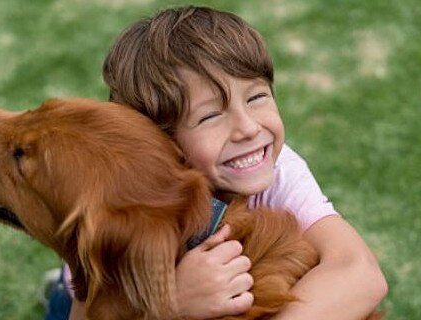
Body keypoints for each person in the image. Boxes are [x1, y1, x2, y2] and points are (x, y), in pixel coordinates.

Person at [45, 6, 387, 320]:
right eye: (210, 116)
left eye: (256, 97)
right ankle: (56, 289)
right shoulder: (115, 200)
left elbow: (361, 274)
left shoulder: (280, 168)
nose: (249, 128)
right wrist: (169, 305)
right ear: (162, 143)